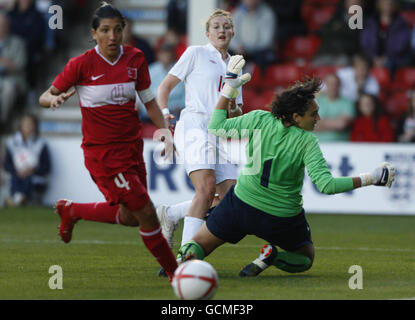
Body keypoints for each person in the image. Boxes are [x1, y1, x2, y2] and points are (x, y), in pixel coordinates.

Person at [175, 61, 395, 278]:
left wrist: (228, 89)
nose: (318, 118)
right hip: (281, 217)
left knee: (199, 245)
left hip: (241, 205)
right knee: (305, 257)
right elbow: (327, 186)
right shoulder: (306, 141)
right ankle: (273, 257)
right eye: (313, 114)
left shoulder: (259, 118)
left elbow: (216, 126)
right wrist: (371, 178)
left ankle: (179, 262)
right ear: (296, 117)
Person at [38, 2, 178, 281]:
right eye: (105, 30)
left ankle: (72, 210)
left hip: (132, 149)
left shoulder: (136, 59)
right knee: (147, 213)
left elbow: (149, 102)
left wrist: (165, 132)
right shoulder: (80, 65)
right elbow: (45, 96)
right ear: (94, 34)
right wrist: (53, 98)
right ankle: (178, 274)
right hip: (103, 156)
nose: (112, 36)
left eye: (117, 30)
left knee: (130, 216)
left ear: (124, 31)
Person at [155, 9, 244, 268]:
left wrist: (233, 100)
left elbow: (236, 111)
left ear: (232, 32)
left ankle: (171, 214)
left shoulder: (235, 66)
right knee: (205, 189)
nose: (221, 30)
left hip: (217, 133)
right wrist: (163, 115)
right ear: (208, 33)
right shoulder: (196, 53)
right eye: (216, 26)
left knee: (231, 201)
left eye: (226, 26)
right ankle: (184, 261)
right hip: (194, 127)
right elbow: (164, 87)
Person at [3, 113, 51, 206]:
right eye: (25, 124)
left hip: (34, 177)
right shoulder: (11, 142)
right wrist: (16, 171)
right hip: (16, 175)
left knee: (28, 180)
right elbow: (6, 164)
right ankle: (19, 199)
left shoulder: (41, 144)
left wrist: (32, 171)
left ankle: (16, 200)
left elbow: (47, 167)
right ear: (20, 126)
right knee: (15, 179)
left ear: (35, 126)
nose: (28, 127)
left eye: (30, 124)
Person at [360, 0, 412, 76]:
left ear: (395, 5)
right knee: (360, 62)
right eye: (385, 3)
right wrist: (374, 57)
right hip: (371, 58)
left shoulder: (402, 23)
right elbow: (364, 42)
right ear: (379, 4)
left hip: (394, 60)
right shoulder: (370, 22)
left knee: (393, 63)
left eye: (391, 4)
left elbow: (402, 45)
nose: (388, 6)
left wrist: (385, 59)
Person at [229, 0, 276, 73]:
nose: (250, 1)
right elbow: (231, 36)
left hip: (259, 51)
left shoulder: (267, 14)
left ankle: (259, 81)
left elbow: (266, 41)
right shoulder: (236, 13)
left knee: (264, 57)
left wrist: (247, 49)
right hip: (240, 50)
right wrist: (237, 46)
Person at [312, 0, 363, 67]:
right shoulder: (337, 16)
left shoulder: (364, 20)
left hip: (345, 55)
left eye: (356, 1)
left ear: (361, 3)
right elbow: (324, 31)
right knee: (315, 66)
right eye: (350, 1)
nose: (353, 3)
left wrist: (339, 29)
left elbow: (354, 38)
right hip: (327, 52)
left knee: (343, 64)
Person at [0, 10, 27, 131]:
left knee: (8, 89)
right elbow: (9, 63)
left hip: (12, 80)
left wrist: (6, 63)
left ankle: (2, 122)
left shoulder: (18, 42)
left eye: (3, 25)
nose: (1, 28)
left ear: (8, 27)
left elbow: (19, 65)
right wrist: (6, 62)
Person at [313, 73, 355, 142]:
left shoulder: (347, 103)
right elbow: (309, 125)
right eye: (330, 84)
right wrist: (335, 122)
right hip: (318, 145)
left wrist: (320, 123)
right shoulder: (316, 102)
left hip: (341, 145)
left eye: (335, 84)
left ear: (340, 86)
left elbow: (342, 124)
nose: (333, 86)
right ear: (326, 85)